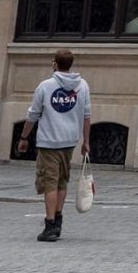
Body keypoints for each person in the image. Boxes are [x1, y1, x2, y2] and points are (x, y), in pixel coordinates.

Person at [24, 48, 91, 244]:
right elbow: (87, 116)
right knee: (62, 180)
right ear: (70, 65)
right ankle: (58, 219)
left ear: (55, 63)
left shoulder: (46, 86)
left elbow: (33, 114)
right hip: (70, 141)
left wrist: (23, 137)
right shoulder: (82, 85)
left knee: (49, 182)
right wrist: (86, 141)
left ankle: (50, 223)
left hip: (49, 141)